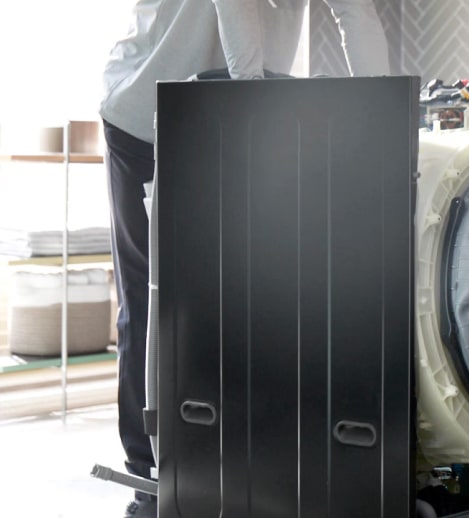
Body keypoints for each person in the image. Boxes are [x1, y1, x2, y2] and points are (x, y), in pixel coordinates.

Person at [99, 1, 389, 516]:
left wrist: (387, 117)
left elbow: (355, 12)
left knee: (238, 303)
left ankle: (223, 470)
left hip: (236, 108)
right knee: (152, 303)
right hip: (147, 109)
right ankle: (148, 476)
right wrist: (253, 102)